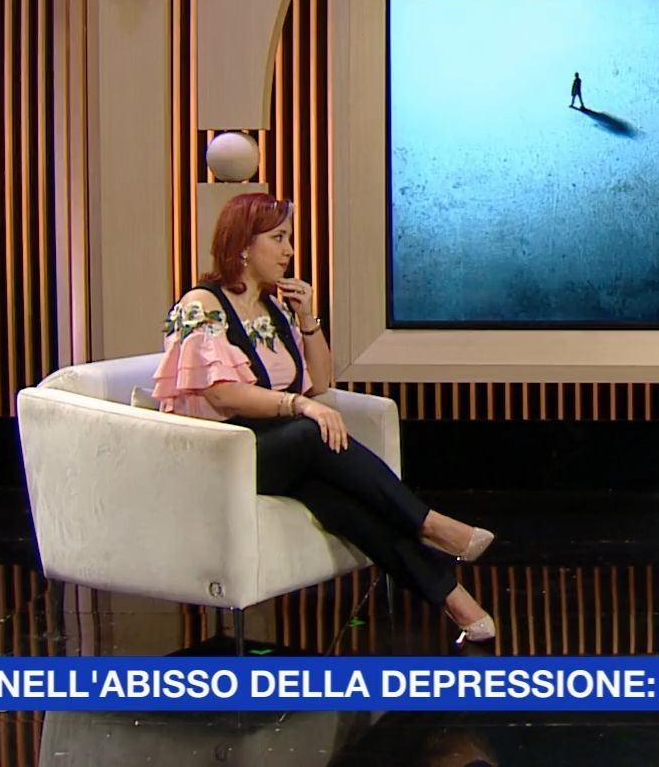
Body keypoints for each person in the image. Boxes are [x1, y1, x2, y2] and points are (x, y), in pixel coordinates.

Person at [153, 193, 497, 644]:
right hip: (220, 454)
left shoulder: (276, 308)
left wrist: (307, 319)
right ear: (243, 245)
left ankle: (455, 600)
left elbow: (318, 382)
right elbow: (221, 394)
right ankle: (428, 523)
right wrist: (299, 407)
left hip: (277, 450)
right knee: (310, 430)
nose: (289, 251)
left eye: (288, 239)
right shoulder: (203, 303)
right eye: (278, 239)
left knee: (343, 505)